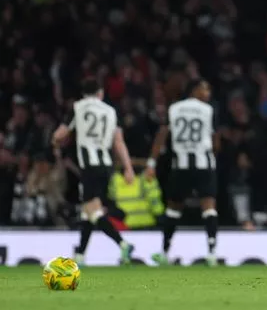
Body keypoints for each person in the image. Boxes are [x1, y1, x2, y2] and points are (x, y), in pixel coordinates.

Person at [52, 79, 135, 265]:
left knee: (93, 211)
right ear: (100, 93)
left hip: (89, 167)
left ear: (83, 93)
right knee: (87, 212)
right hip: (106, 167)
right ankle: (80, 255)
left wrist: (54, 141)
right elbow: (119, 143)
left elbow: (60, 134)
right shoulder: (111, 111)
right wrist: (128, 168)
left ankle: (123, 244)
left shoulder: (78, 107)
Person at [146, 80, 219, 266]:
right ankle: (212, 253)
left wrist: (152, 162)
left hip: (181, 166)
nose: (208, 92)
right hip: (204, 164)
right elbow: (215, 140)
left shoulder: (174, 109)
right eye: (205, 88)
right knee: (209, 207)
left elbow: (162, 136)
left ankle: (164, 252)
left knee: (173, 210)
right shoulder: (208, 110)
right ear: (194, 90)